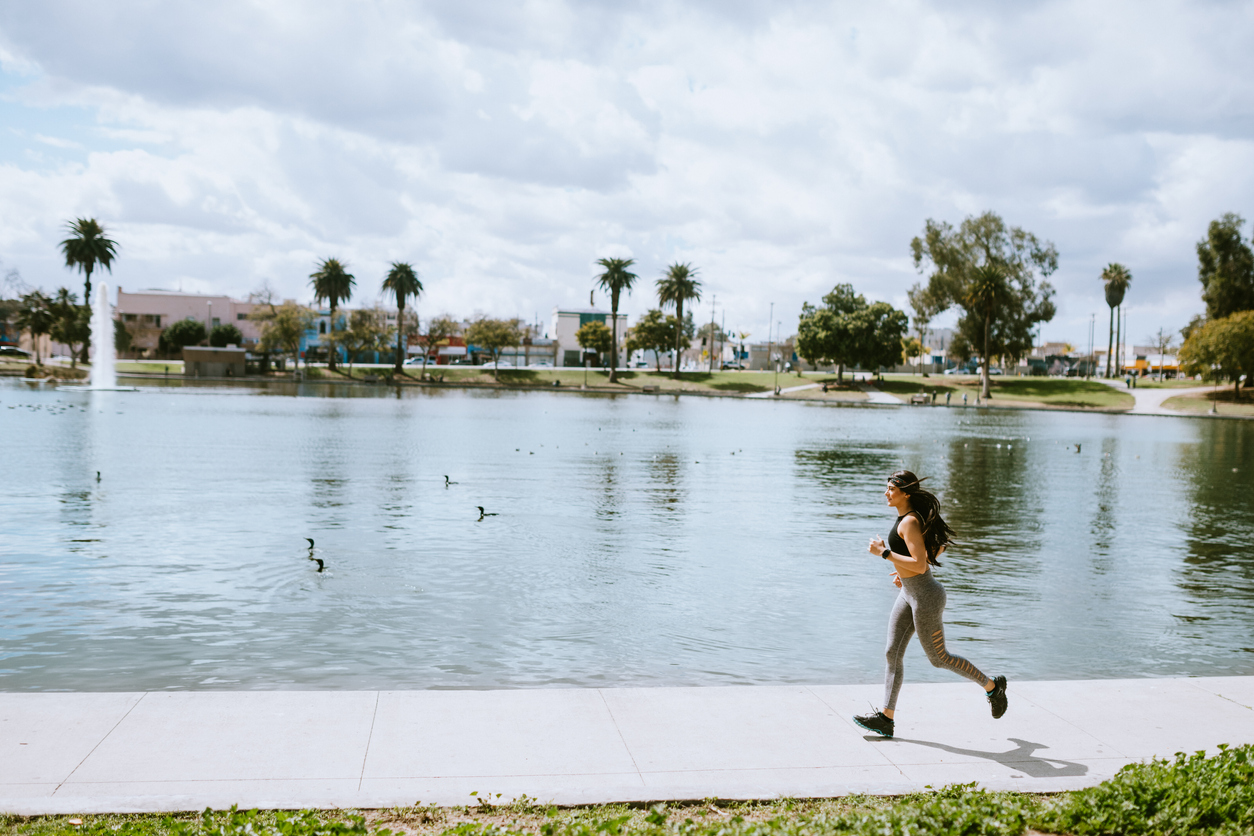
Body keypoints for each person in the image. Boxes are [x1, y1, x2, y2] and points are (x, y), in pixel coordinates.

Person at [853, 470, 1008, 738]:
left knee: (939, 658)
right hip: (910, 594)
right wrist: (904, 574)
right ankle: (886, 719)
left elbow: (921, 563)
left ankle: (993, 687)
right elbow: (939, 547)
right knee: (892, 652)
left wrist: (885, 554)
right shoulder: (909, 519)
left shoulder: (910, 522)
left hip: (926, 599)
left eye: (891, 489)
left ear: (906, 493)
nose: (886, 493)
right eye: (887, 488)